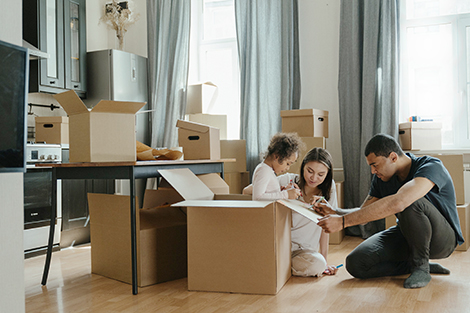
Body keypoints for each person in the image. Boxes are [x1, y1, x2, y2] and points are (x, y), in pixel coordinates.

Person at [315, 133, 464, 288]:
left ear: (393, 157)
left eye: (375, 165)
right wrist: (335, 212)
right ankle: (413, 264)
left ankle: (421, 267)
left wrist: (343, 222)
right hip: (407, 235)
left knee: (410, 201)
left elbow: (400, 201)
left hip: (443, 240)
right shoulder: (381, 178)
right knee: (356, 263)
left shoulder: (431, 166)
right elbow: (364, 212)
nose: (373, 171)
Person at [246, 146, 340, 277]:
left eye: (321, 174)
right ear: (303, 167)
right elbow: (247, 191)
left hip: (304, 252)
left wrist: (325, 261)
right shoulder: (288, 179)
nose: (313, 178)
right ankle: (277, 265)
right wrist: (281, 192)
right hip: (280, 246)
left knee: (317, 265)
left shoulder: (330, 190)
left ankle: (277, 266)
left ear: (327, 174)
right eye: (310, 171)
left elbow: (326, 226)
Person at [251, 132, 303, 200]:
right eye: (287, 164)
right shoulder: (264, 170)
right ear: (277, 156)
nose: (287, 168)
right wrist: (286, 194)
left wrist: (281, 191)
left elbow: (269, 195)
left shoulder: (268, 170)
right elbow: (258, 197)